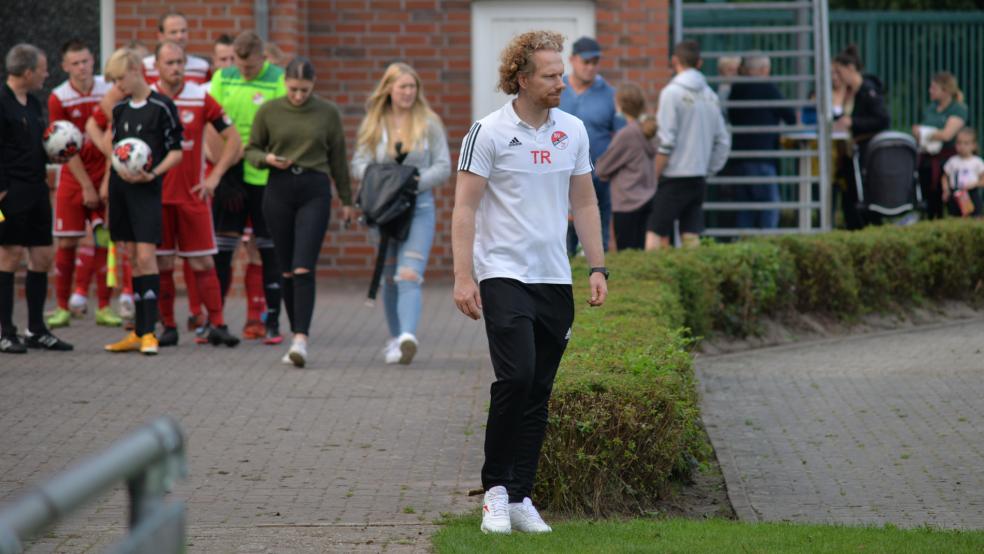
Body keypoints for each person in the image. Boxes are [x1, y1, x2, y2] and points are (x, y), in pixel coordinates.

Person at [452, 30, 608, 535]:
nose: (561, 82)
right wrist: (463, 276)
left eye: (562, 73)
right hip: (502, 274)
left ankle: (521, 496)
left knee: (538, 390)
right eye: (551, 75)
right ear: (521, 78)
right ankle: (495, 491)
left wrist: (597, 267)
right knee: (515, 378)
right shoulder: (488, 132)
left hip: (554, 279)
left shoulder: (573, 131)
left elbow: (584, 202)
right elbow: (464, 208)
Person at [245, 57, 354, 368]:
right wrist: (266, 158)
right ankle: (295, 332)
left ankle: (300, 340)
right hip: (277, 188)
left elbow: (339, 159)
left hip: (314, 189)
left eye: (304, 90)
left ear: (313, 84)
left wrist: (346, 200)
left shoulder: (328, 112)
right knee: (287, 270)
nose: (298, 96)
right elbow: (250, 149)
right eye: (293, 90)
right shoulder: (269, 110)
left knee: (304, 265)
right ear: (285, 84)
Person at [352, 63, 451, 365]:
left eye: (412, 87)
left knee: (409, 274)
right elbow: (358, 164)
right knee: (390, 278)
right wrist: (383, 180)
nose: (408, 93)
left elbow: (443, 166)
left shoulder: (429, 122)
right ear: (389, 89)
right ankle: (395, 339)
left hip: (418, 208)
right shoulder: (374, 122)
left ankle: (408, 336)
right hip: (384, 211)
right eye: (402, 87)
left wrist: (412, 182)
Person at [150, 41, 241, 347]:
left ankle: (217, 323)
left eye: (180, 63)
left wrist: (214, 176)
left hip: (193, 196)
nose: (176, 69)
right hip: (158, 197)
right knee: (162, 264)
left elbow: (233, 139)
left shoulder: (200, 97)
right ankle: (169, 327)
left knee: (203, 263)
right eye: (170, 63)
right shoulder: (147, 97)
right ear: (157, 67)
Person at [98, 48, 184, 355]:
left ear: (136, 70)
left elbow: (176, 151)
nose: (118, 86)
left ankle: (151, 332)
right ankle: (137, 331)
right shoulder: (120, 109)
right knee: (132, 258)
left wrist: (153, 174)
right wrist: (109, 179)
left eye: (121, 78)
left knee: (147, 257)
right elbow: (117, 149)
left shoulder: (162, 106)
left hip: (147, 190)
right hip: (122, 191)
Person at [208, 31, 286, 344]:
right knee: (223, 249)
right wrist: (222, 172)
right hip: (231, 172)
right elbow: (210, 126)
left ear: (262, 59)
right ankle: (215, 320)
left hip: (265, 174)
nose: (244, 72)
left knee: (267, 248)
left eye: (250, 68)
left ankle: (270, 322)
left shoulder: (278, 80)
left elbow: (283, 126)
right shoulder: (223, 78)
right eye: (240, 66)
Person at [0, 43, 74, 353]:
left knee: (43, 255)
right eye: (42, 69)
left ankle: (37, 329)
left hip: (36, 189)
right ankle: (5, 331)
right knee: (9, 255)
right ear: (28, 71)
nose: (46, 74)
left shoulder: (32, 102)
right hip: (8, 192)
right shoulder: (1, 102)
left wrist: (55, 153)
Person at [47, 39, 122, 329]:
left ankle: (104, 306)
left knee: (106, 239)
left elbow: (112, 137)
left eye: (86, 61)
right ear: (65, 67)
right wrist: (86, 186)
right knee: (67, 241)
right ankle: (63, 307)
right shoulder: (58, 97)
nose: (82, 68)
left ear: (94, 61)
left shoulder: (107, 90)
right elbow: (62, 148)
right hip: (73, 174)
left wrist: (104, 180)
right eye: (75, 63)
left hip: (104, 171)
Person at [647, 40, 730, 250]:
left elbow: (666, 141)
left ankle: (654, 281)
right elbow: (723, 141)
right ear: (700, 62)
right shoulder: (710, 96)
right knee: (691, 236)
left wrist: (652, 176)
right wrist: (708, 168)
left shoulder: (671, 93)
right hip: (698, 176)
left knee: (655, 232)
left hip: (673, 176)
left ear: (674, 61)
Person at [559, 36, 624, 255]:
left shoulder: (610, 94)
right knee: (561, 240)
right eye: (585, 62)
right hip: (560, 178)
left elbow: (622, 136)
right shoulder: (557, 89)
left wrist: (609, 168)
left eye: (595, 62)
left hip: (598, 179)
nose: (590, 67)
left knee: (597, 237)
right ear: (572, 60)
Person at [728, 55, 797, 229]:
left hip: (739, 158)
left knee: (745, 210)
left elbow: (732, 117)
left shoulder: (736, 89)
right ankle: (768, 244)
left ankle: (741, 246)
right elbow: (790, 116)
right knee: (770, 208)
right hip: (762, 158)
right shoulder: (767, 88)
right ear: (763, 70)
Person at [831, 44, 889, 230]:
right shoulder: (849, 93)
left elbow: (882, 120)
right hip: (849, 154)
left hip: (865, 155)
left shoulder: (868, 90)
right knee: (849, 201)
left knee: (864, 201)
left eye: (839, 72)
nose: (837, 77)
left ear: (851, 69)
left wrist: (853, 122)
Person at [594, 82, 657, 250]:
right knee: (640, 258)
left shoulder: (627, 134)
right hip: (649, 198)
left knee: (627, 253)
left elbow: (602, 168)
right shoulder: (648, 131)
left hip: (628, 202)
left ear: (620, 105)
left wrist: (607, 173)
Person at [913, 72, 969, 220]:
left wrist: (925, 133)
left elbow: (947, 135)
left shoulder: (958, 109)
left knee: (948, 199)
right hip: (927, 160)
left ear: (945, 90)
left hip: (946, 161)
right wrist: (928, 133)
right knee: (929, 200)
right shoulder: (931, 107)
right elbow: (918, 131)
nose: (930, 90)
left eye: (933, 87)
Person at [142, 10, 211, 85]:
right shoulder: (145, 66)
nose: (180, 36)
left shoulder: (202, 67)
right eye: (173, 32)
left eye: (183, 31)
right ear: (160, 36)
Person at [942, 127, 984, 217]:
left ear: (974, 145)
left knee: (975, 216)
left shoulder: (977, 162)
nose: (962, 146)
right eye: (959, 143)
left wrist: (975, 184)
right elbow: (945, 177)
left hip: (971, 193)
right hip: (955, 193)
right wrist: (946, 190)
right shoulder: (952, 161)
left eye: (966, 143)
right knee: (954, 216)